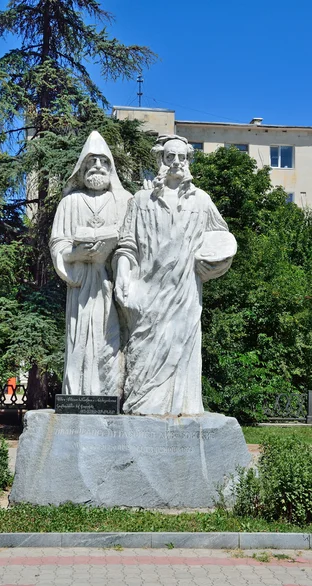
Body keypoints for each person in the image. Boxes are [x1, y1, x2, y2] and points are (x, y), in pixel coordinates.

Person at [114, 135, 237, 415]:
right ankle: (141, 407)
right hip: (148, 294)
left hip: (185, 294)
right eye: (170, 157)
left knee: (182, 354)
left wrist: (213, 267)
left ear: (189, 160)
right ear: (160, 159)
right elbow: (126, 245)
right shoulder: (141, 200)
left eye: (182, 157)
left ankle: (183, 408)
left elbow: (222, 241)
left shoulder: (202, 201)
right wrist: (123, 274)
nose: (177, 163)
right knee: (141, 357)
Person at [50, 131, 131, 396]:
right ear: (82, 168)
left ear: (111, 167)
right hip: (81, 283)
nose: (97, 166)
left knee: (109, 339)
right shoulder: (70, 202)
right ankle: (77, 394)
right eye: (91, 162)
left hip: (110, 282)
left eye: (103, 162)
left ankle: (108, 393)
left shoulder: (125, 201)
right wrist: (74, 254)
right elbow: (58, 243)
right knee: (79, 339)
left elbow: (135, 245)